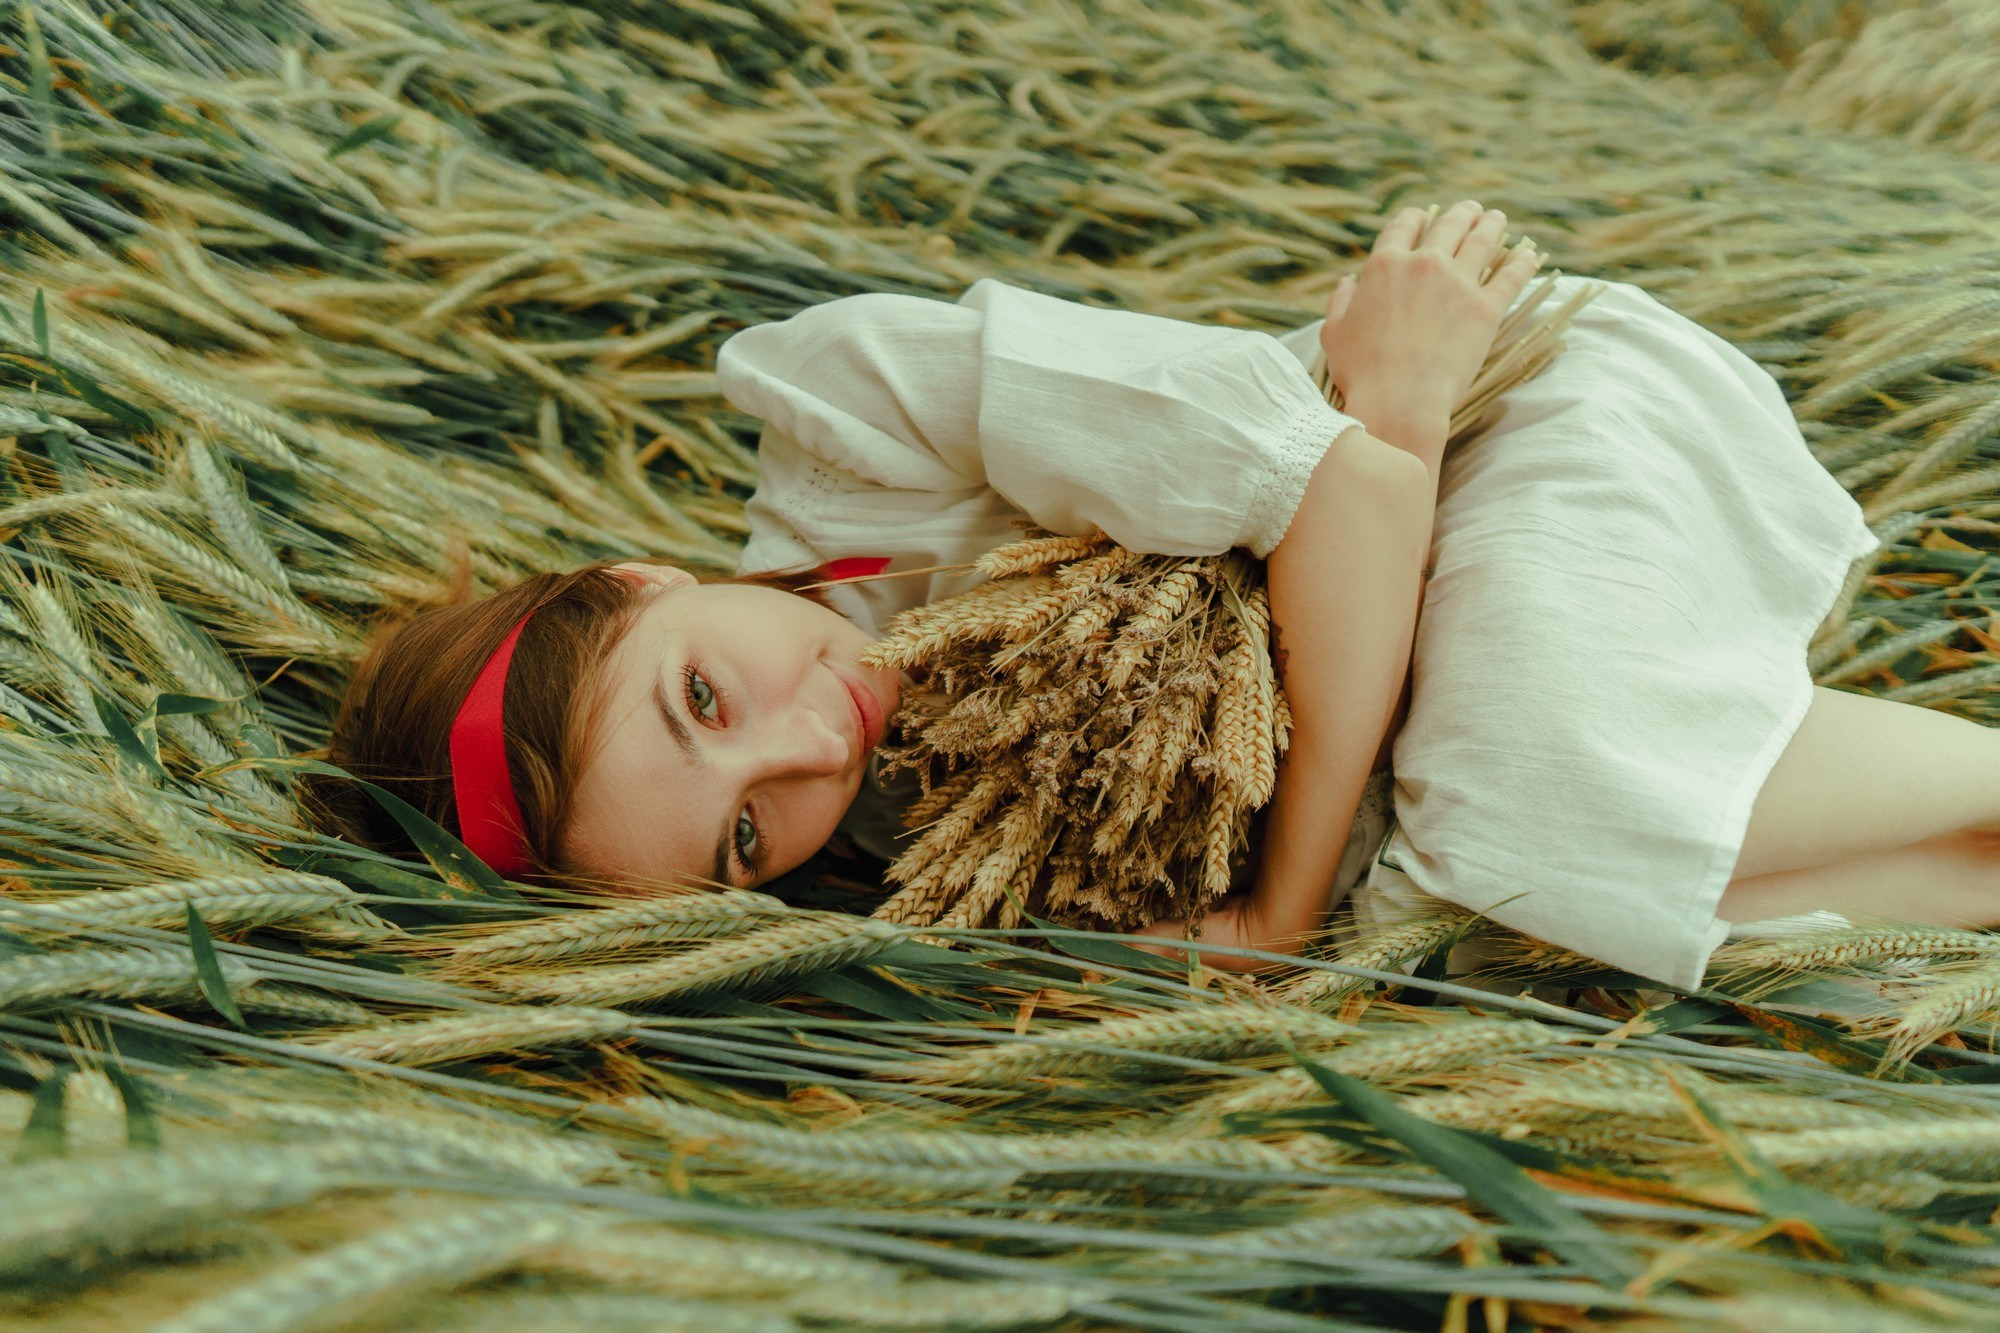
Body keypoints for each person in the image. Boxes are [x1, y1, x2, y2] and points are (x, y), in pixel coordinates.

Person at [319, 200, 2000, 990]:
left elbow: (1352, 475)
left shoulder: (870, 418)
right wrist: (1364, 482)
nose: (797, 749)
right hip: (1421, 626)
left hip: (1518, 433)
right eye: (744, 835)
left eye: (702, 694)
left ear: (639, 579)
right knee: (1518, 931)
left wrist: (1274, 906)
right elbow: (1349, 499)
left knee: (1499, 826)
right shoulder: (895, 854)